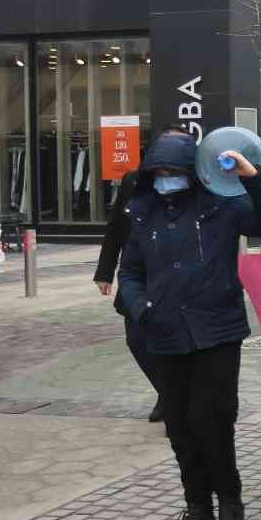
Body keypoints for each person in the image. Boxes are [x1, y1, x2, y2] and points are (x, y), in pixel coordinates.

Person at [117, 130, 261, 520]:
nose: (166, 178)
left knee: (213, 422)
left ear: (193, 172)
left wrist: (253, 178)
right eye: (160, 172)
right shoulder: (143, 213)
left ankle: (230, 507)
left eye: (175, 171)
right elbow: (130, 271)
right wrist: (141, 308)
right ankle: (197, 511)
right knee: (180, 427)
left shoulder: (224, 207)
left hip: (217, 331)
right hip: (164, 332)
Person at [95, 164, 163, 423]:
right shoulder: (132, 181)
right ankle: (167, 392)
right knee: (136, 340)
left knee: (168, 341)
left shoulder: (193, 181)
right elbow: (116, 227)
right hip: (135, 274)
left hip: (170, 276)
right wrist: (104, 271)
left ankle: (174, 398)